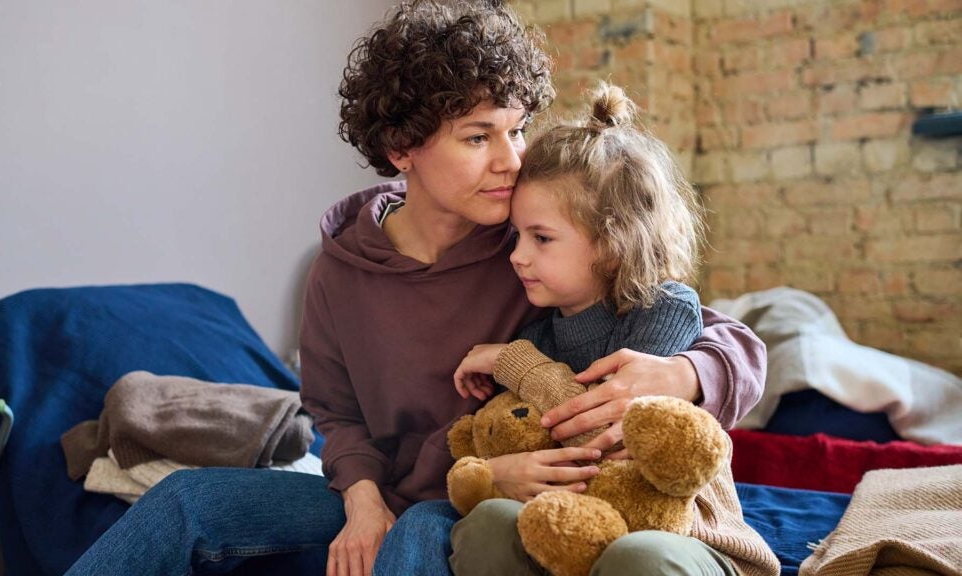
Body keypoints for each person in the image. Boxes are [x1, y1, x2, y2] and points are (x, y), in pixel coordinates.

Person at [64, 3, 767, 576]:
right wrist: (364, 499)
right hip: (398, 489)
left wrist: (681, 374)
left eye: (518, 129)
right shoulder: (340, 270)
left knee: (419, 539)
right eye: (477, 137)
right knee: (186, 498)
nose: (512, 159)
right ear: (402, 149)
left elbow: (706, 328)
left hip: (476, 495)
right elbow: (335, 416)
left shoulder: (532, 241)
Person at [446, 83, 780, 576]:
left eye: (542, 238)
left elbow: (605, 432)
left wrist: (511, 362)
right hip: (571, 525)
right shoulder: (539, 336)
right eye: (518, 237)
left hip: (681, 534)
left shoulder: (661, 308)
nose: (517, 256)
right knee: (486, 522)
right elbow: (523, 440)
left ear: (612, 244)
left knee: (637, 555)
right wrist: (494, 474)